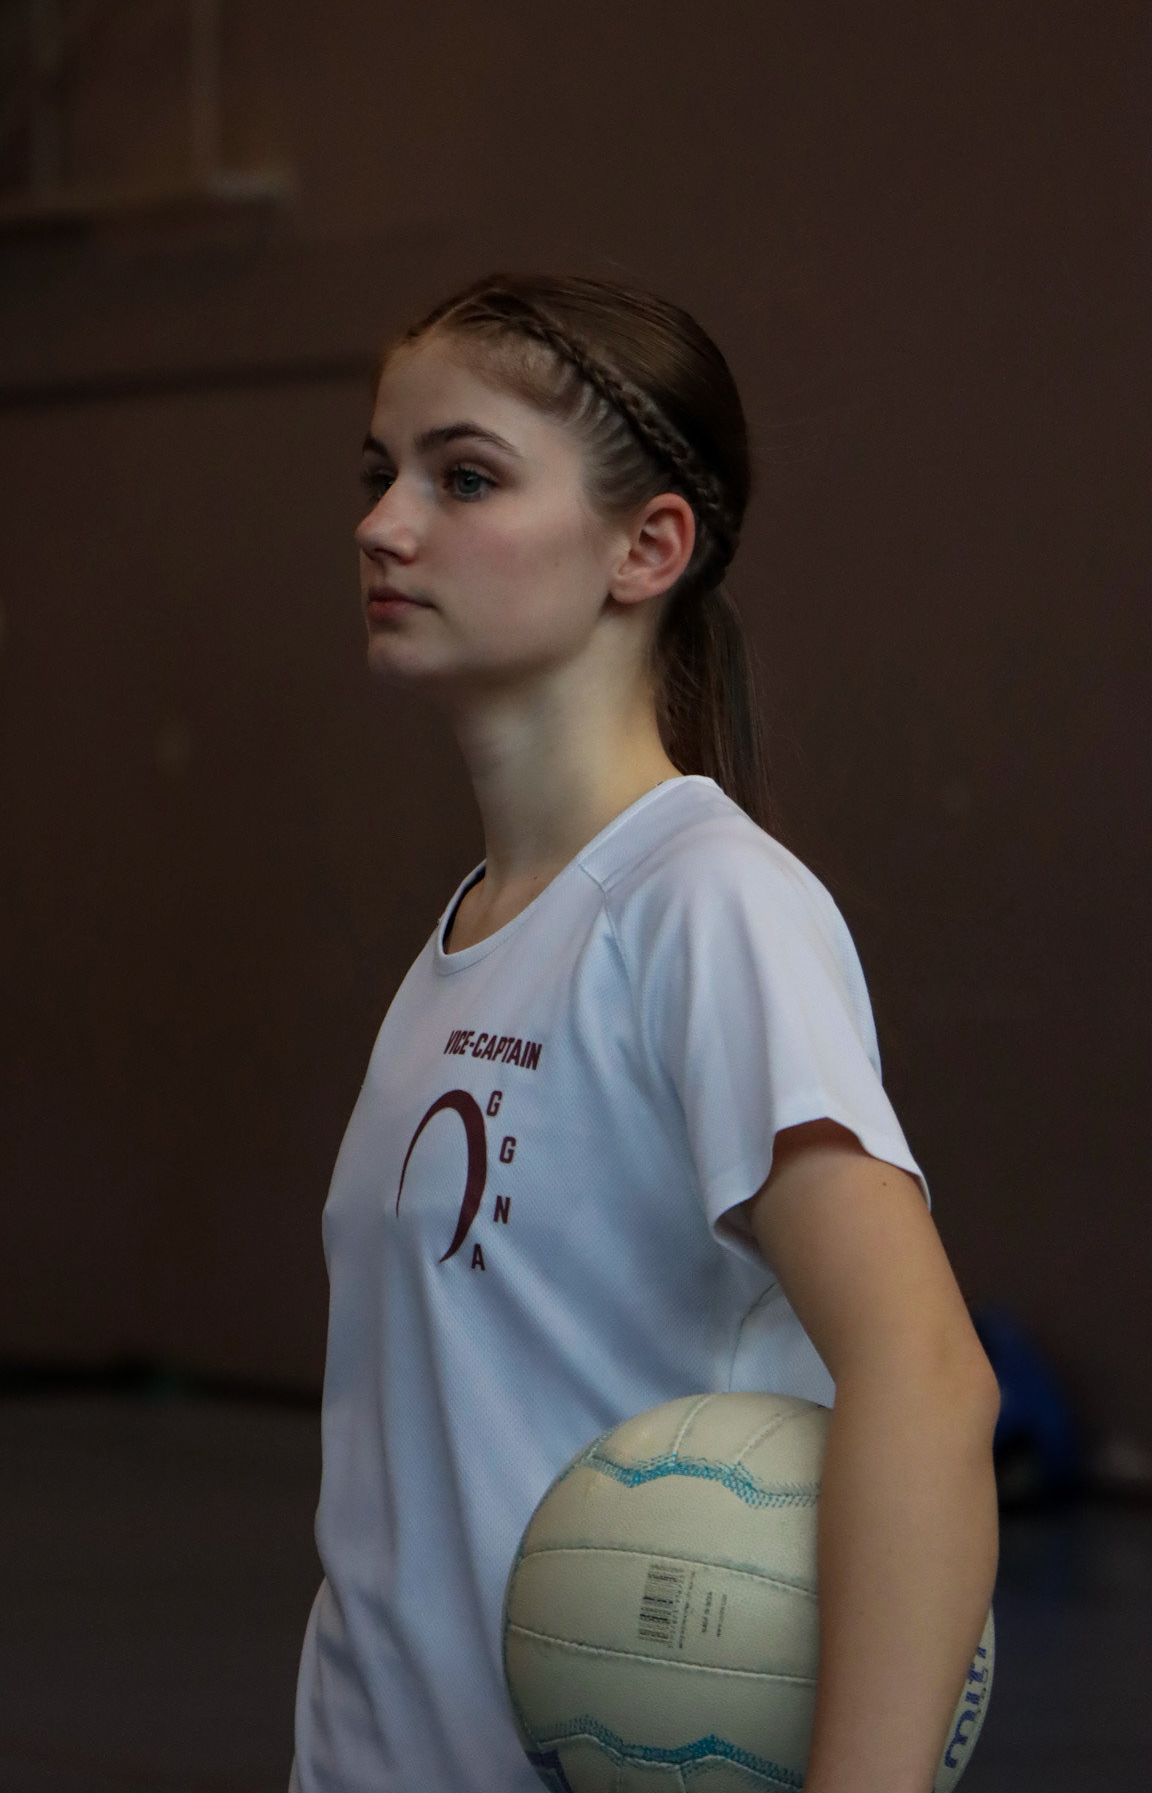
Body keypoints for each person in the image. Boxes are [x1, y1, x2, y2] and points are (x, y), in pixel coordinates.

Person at [289, 273, 999, 1793]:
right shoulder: (471, 932)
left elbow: (931, 1385)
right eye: (381, 471)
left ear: (647, 546)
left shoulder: (709, 907)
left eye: (463, 477)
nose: (384, 524)